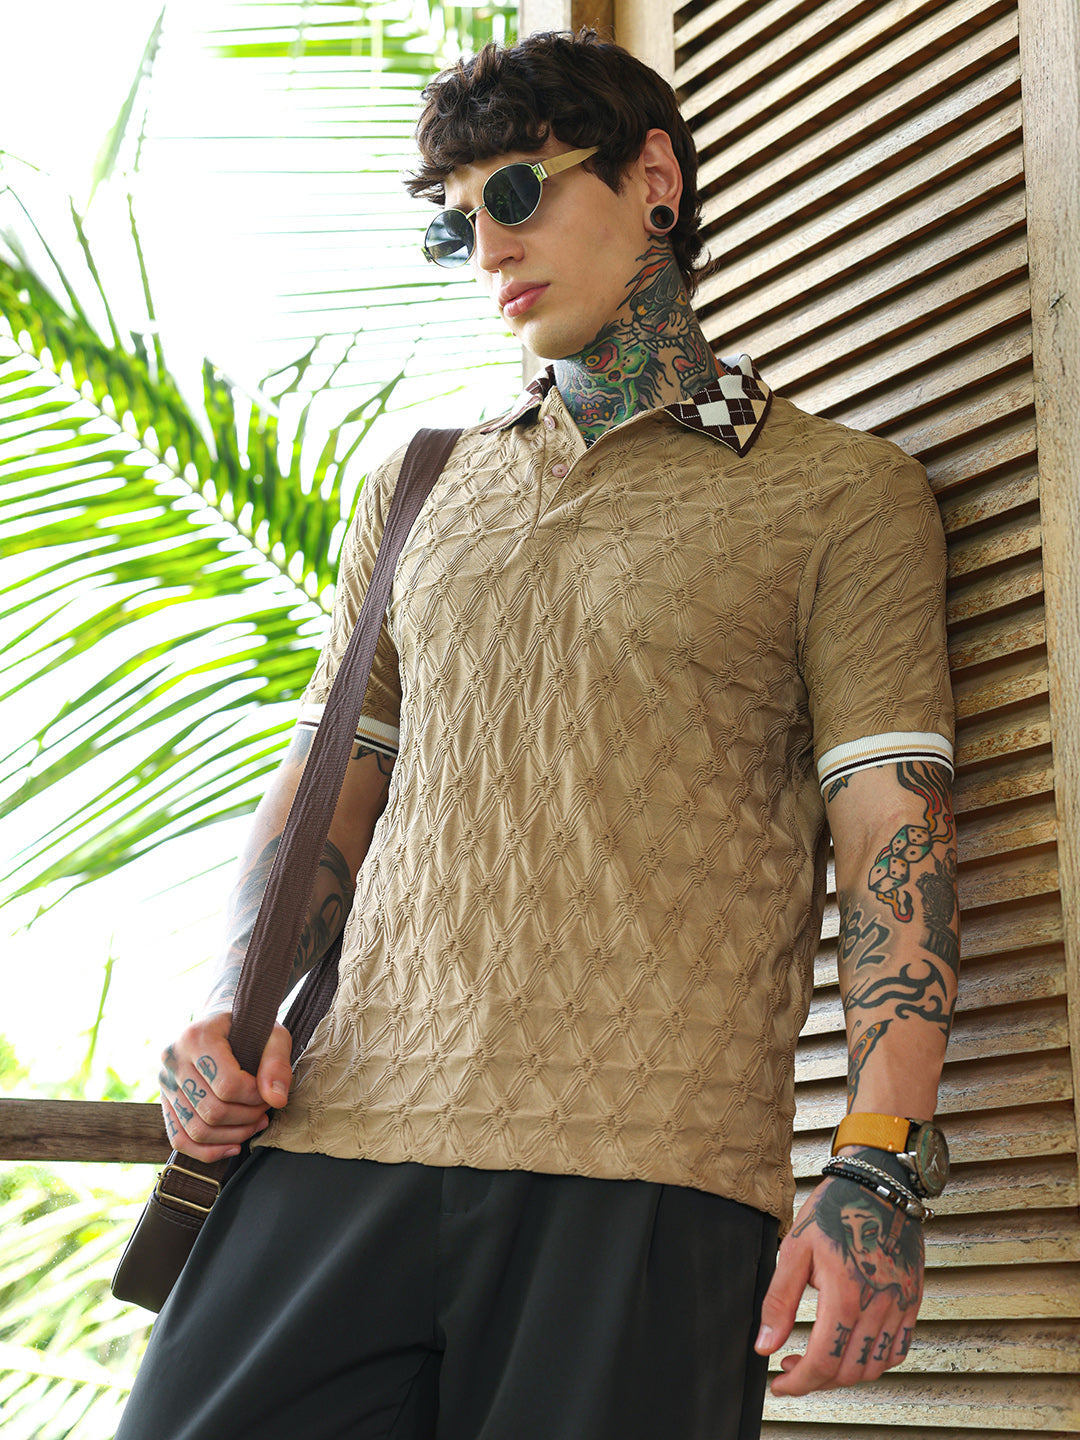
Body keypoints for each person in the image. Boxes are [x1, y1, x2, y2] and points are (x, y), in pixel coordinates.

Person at [117, 28, 958, 1440]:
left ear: (654, 180)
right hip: (338, 1133)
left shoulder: (840, 497)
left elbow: (896, 833)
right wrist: (227, 1003)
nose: (490, 248)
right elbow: (334, 784)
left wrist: (877, 1164)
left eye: (518, 190)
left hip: (649, 1169)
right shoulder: (418, 486)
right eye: (457, 226)